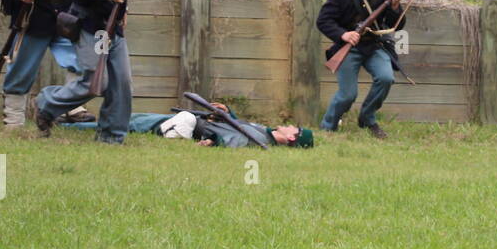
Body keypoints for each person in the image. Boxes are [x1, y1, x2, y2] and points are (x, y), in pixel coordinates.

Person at [34, 0, 145, 143]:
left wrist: (122, 9)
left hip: (113, 30)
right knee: (95, 83)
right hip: (92, 28)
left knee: (121, 84)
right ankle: (47, 103)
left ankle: (112, 136)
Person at [315, 0, 404, 138]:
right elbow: (323, 20)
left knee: (386, 78)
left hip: (374, 45)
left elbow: (396, 24)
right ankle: (328, 126)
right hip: (349, 47)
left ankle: (367, 118)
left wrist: (396, 6)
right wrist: (343, 35)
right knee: (348, 95)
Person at [59, 101, 315, 148]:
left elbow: (231, 139)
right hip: (191, 124)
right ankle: (69, 123)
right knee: (130, 120)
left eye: (295, 129)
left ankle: (67, 127)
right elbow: (234, 125)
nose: (291, 125)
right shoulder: (263, 132)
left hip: (189, 126)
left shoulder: (259, 140)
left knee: (123, 125)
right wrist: (227, 112)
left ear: (293, 138)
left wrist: (212, 143)